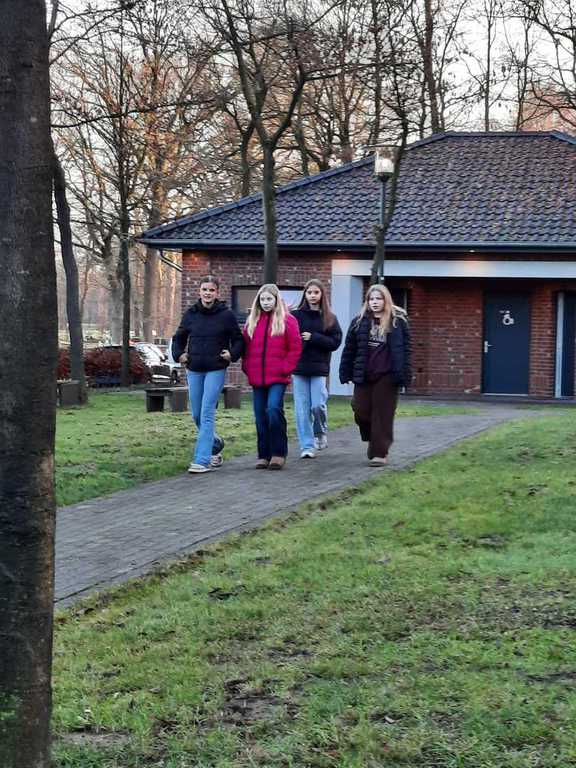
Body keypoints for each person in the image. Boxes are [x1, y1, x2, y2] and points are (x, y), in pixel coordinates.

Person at [172, 276, 244, 474]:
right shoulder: (191, 314)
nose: (207, 293)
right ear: (200, 291)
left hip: (216, 368)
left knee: (206, 412)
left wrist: (232, 354)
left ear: (217, 293)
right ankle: (215, 444)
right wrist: (179, 354)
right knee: (196, 414)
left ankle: (202, 460)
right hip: (194, 368)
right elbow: (178, 338)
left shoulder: (226, 315)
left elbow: (238, 340)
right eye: (204, 289)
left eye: (211, 290)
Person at [339, 284, 411, 466]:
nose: (375, 302)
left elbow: (405, 350)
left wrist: (404, 374)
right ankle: (373, 436)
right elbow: (349, 349)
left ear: (386, 300)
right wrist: (345, 372)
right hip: (364, 374)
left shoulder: (397, 322)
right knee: (361, 410)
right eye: (372, 299)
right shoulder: (359, 322)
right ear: (367, 301)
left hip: (387, 375)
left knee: (382, 414)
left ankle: (379, 452)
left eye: (379, 298)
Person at [242, 284, 302, 470]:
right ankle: (264, 455)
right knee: (260, 415)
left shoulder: (288, 321)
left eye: (269, 299)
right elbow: (246, 349)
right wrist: (247, 367)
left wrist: (286, 368)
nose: (266, 302)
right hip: (257, 377)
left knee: (274, 410)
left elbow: (295, 347)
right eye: (263, 299)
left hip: (278, 377)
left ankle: (278, 453)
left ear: (276, 300)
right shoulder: (252, 322)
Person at [291, 279, 342, 458]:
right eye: (309, 292)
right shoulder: (295, 316)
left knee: (317, 405)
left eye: (316, 292)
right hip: (299, 367)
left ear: (322, 295)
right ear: (305, 294)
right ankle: (306, 446)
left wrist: (314, 338)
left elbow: (335, 342)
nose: (312, 296)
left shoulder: (329, 318)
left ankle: (320, 432)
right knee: (302, 409)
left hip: (319, 367)